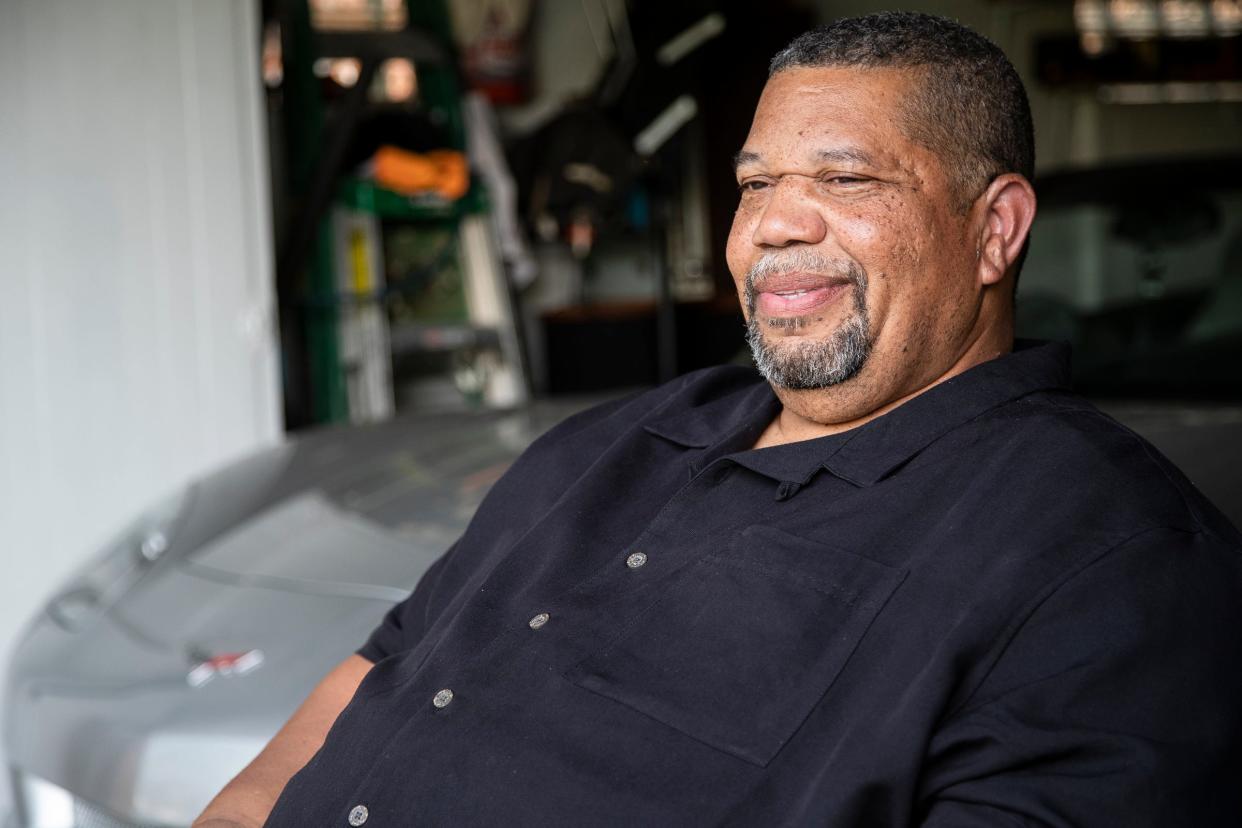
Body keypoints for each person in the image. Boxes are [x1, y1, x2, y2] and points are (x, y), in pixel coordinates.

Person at [196, 12, 1242, 827]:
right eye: (756, 183)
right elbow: (378, 673)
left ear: (995, 230)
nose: (775, 224)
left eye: (845, 177)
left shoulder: (1119, 563)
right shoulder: (615, 441)